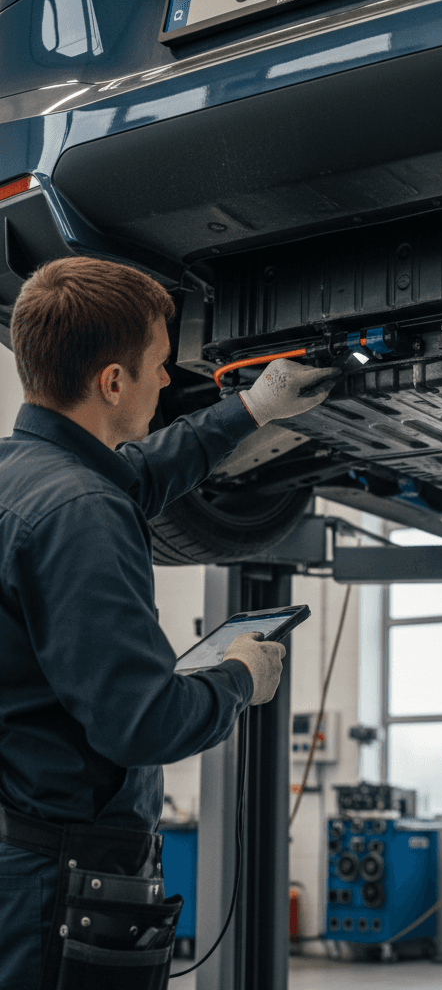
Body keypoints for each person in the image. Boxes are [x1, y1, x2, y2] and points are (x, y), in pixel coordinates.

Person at [0, 257, 339, 989]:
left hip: (21, 861)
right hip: (57, 884)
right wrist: (237, 680)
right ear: (112, 382)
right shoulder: (79, 512)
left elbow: (139, 474)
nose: (166, 380)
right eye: (158, 365)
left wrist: (252, 409)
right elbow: (142, 722)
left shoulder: (23, 476)